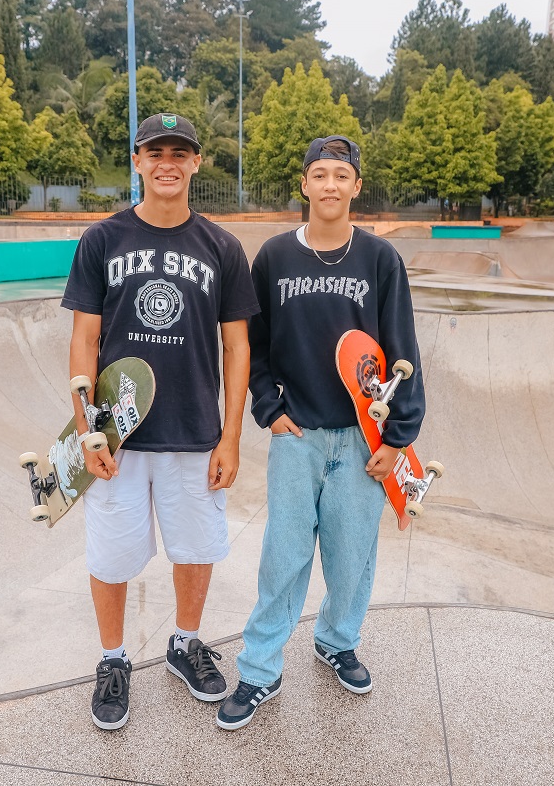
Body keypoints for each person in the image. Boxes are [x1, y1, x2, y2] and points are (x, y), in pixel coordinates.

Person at [216, 135, 425, 730]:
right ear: (303, 185)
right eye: (319, 174)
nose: (330, 184)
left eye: (342, 174)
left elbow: (402, 347)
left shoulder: (381, 260)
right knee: (283, 555)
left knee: (352, 554)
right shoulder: (275, 258)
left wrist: (398, 437)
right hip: (297, 435)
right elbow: (251, 342)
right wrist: (266, 403)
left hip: (363, 436)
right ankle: (259, 670)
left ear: (357, 186)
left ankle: (337, 640)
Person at [62, 113, 259, 731]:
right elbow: (84, 338)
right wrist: (85, 427)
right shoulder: (102, 240)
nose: (167, 162)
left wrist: (231, 436)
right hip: (119, 431)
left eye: (180, 152)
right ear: (138, 160)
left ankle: (184, 642)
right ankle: (113, 660)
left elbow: (238, 348)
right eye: (156, 151)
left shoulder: (223, 248)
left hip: (197, 431)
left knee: (196, 547)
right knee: (112, 554)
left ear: (197, 163)